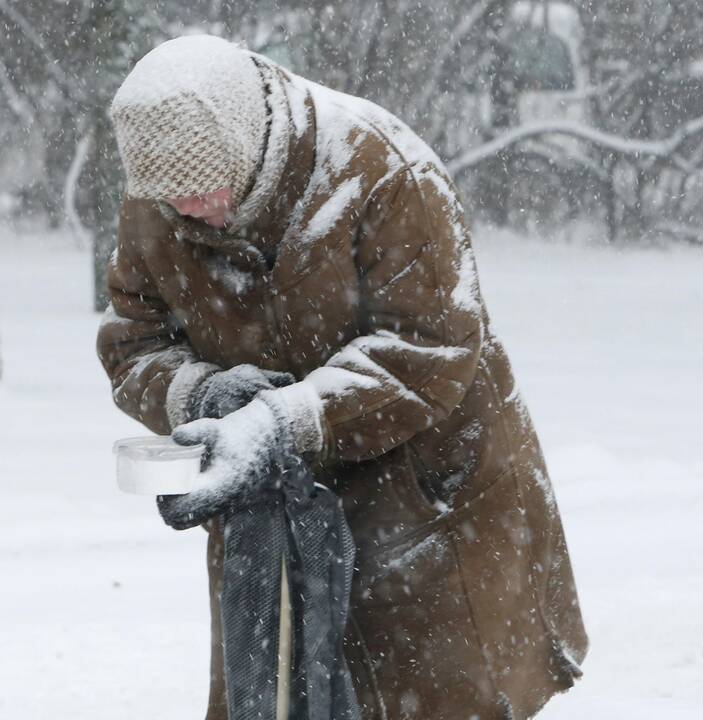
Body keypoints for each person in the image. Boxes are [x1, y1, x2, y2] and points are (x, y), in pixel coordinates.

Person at [97, 34, 587, 720]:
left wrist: (282, 421)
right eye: (168, 196)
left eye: (202, 186)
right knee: (280, 693)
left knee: (424, 698)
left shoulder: (384, 169)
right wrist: (202, 393)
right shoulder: (160, 199)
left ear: (245, 143)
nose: (187, 209)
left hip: (422, 494)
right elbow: (133, 341)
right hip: (274, 516)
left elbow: (432, 346)